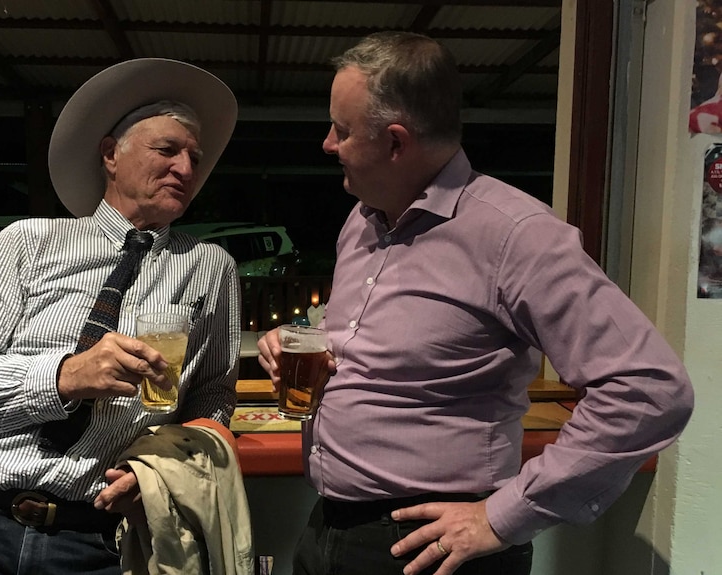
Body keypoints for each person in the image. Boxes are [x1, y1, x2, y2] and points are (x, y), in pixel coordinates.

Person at [257, 32, 694, 575]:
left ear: (396, 143)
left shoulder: (516, 235)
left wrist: (501, 517)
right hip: (327, 526)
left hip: (431, 551)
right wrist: (319, 358)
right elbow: (385, 355)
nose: (328, 144)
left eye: (342, 131)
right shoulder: (363, 222)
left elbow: (650, 390)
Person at [0, 58, 241, 574]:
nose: (188, 169)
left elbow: (212, 399)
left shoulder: (210, 268)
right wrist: (64, 376)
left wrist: (160, 470)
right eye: (167, 150)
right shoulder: (27, 243)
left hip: (92, 538)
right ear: (110, 154)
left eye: (195, 157)